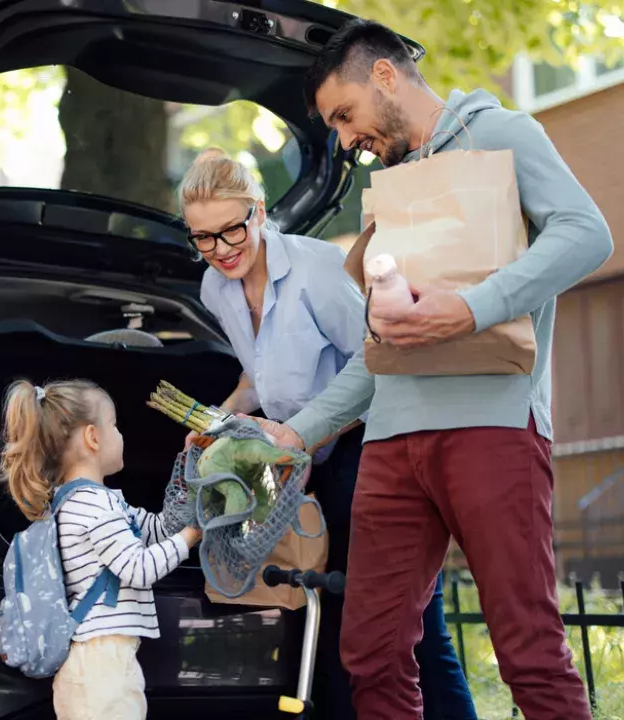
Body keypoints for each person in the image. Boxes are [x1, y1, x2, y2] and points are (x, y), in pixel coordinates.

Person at [248, 19, 614, 720]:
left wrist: (473, 308)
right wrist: (300, 432)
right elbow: (378, 350)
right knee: (372, 652)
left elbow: (587, 233)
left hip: (491, 427)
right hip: (389, 443)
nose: (345, 138)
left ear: (385, 75)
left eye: (344, 115)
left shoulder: (503, 134)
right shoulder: (389, 190)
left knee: (528, 651)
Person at [178, 148, 476, 720]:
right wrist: (217, 421)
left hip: (378, 448)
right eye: (203, 237)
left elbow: (378, 363)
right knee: (336, 613)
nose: (221, 249)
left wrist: (298, 433)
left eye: (232, 228)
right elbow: (255, 376)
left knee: (411, 623)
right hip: (307, 464)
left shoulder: (317, 269)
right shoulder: (215, 290)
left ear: (260, 212)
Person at [0, 379, 202, 720]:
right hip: (101, 669)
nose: (121, 435)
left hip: (98, 665)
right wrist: (192, 536)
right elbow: (139, 569)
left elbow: (159, 529)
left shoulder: (95, 502)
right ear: (93, 437)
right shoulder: (92, 506)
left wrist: (188, 467)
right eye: (115, 425)